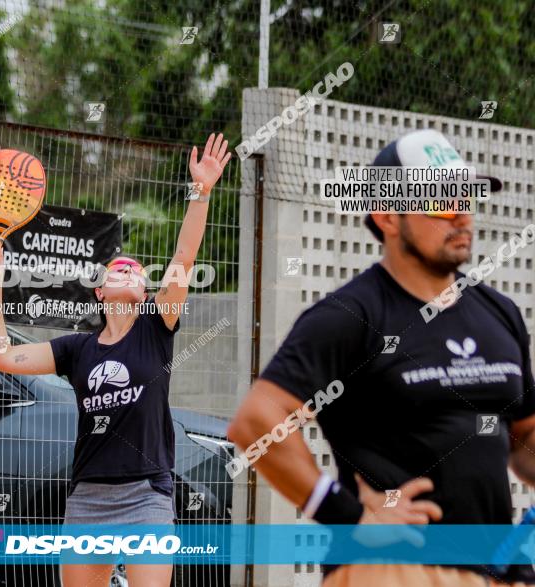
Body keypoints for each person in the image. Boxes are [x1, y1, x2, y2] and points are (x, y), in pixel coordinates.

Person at [227, 129, 535, 586]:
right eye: (440, 201)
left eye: (467, 198)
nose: (462, 216)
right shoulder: (350, 315)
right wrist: (347, 517)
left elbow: (524, 438)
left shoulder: (500, 313)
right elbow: (255, 422)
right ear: (387, 215)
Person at [0, 133, 231, 586]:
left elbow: (184, 257)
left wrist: (201, 191)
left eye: (137, 271)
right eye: (119, 267)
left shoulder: (157, 326)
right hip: (89, 498)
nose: (129, 268)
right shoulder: (78, 349)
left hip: (146, 496)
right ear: (100, 292)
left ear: (145, 292)